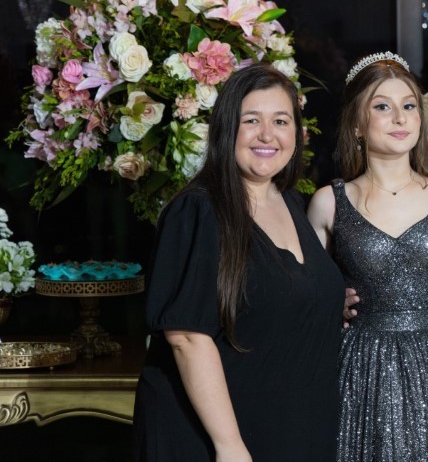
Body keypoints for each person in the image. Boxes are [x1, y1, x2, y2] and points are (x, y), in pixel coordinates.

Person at [133, 63, 344, 461]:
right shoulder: (198, 210)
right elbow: (187, 337)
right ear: (227, 128)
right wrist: (229, 446)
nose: (267, 134)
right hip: (218, 438)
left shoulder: (291, 202)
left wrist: (327, 301)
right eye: (251, 120)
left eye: (280, 121)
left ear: (297, 134)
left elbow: (275, 293)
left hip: (288, 427)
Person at [307, 52, 428, 461]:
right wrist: (328, 303)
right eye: (382, 107)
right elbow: (301, 297)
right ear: (357, 124)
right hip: (364, 370)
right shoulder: (329, 203)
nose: (399, 118)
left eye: (408, 106)